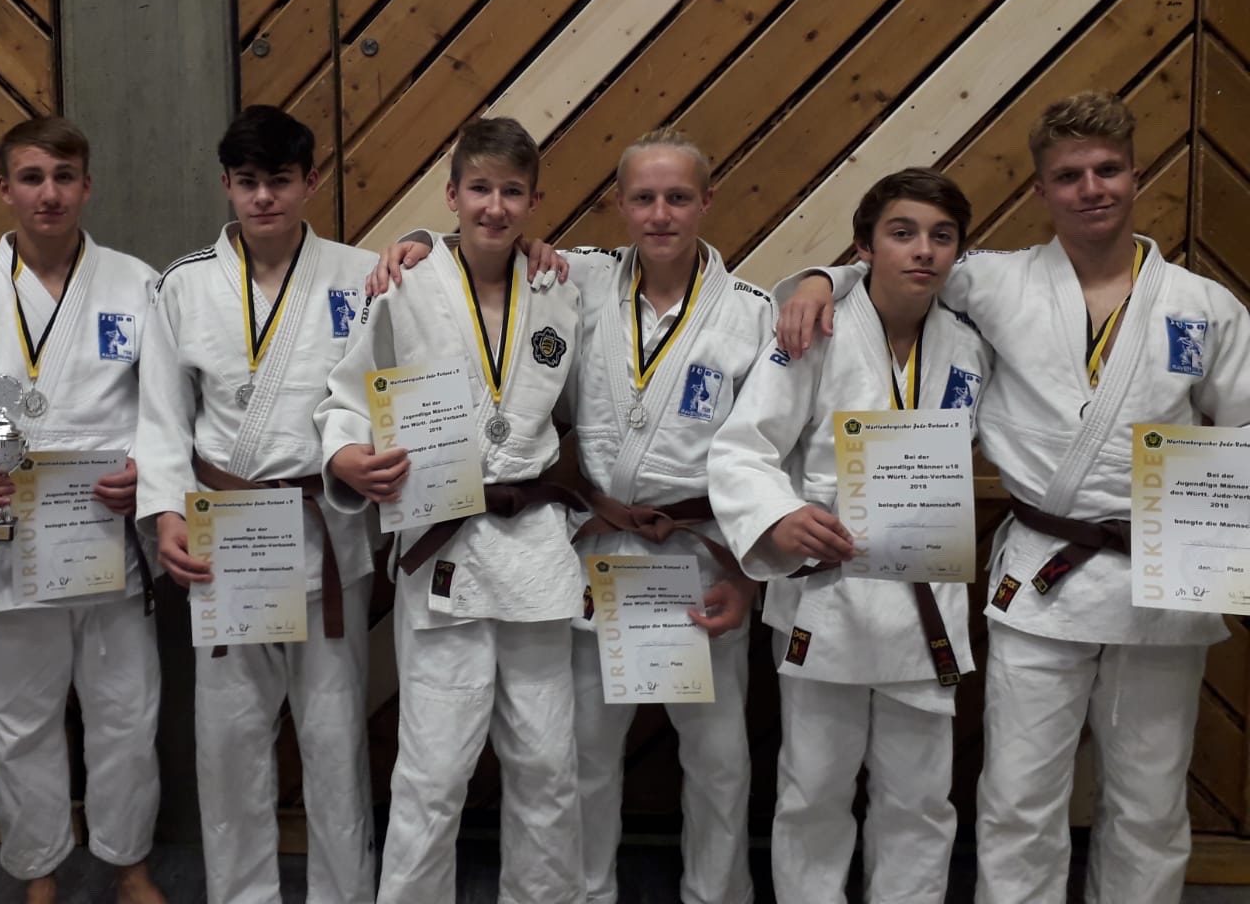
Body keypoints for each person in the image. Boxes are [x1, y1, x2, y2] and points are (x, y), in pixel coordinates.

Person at [780, 93, 1250, 903]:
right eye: (1069, 176)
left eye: (1107, 170)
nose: (1091, 188)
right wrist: (823, 278)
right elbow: (900, 264)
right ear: (1041, 190)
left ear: (1136, 175)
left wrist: (1221, 544)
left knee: (1150, 796)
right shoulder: (995, 281)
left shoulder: (1203, 307)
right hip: (1043, 576)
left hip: (1163, 573)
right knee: (1020, 794)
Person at [371, 127, 768, 903]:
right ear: (619, 204)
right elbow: (479, 250)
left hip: (700, 555)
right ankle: (585, 894)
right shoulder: (576, 277)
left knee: (720, 762)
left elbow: (766, 451)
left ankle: (717, 896)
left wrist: (750, 573)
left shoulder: (752, 311)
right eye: (644, 198)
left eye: (678, 197)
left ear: (706, 202)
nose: (660, 214)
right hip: (599, 551)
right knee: (576, 756)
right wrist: (417, 241)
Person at [0, 118, 164, 904]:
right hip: (12, 543)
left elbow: (170, 405)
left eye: (64, 176)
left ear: (87, 186)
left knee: (127, 716)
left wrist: (149, 473)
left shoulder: (138, 286)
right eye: (33, 177)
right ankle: (39, 870)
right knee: (19, 721)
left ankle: (129, 863)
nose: (50, 193)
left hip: (109, 540)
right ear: (5, 189)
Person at [317, 118, 585, 904]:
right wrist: (346, 455)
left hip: (534, 548)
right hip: (445, 546)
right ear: (452, 195)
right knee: (433, 771)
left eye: (512, 192)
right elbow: (347, 395)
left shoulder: (562, 287)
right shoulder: (405, 284)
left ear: (535, 201)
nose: (495, 207)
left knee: (547, 763)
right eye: (479, 189)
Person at [711, 168, 990, 904]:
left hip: (924, 596)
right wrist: (779, 516)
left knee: (921, 798)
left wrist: (817, 278)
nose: (923, 250)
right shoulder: (816, 331)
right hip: (828, 595)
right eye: (902, 233)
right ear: (864, 246)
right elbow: (742, 449)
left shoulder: (968, 345)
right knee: (813, 791)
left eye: (941, 237)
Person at [134, 105, 378, 904]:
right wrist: (167, 512)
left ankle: (344, 895)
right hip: (229, 535)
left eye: (280, 180)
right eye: (248, 182)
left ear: (311, 181)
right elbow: (162, 417)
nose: (264, 197)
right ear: (226, 185)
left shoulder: (362, 275)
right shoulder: (183, 284)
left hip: (326, 528)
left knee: (335, 739)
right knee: (231, 739)